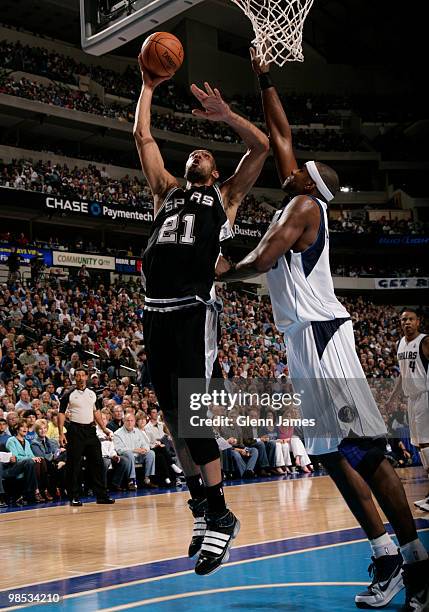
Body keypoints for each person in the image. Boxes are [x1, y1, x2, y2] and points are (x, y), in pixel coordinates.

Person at [217, 50, 429, 611]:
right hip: (303, 343)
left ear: (310, 181)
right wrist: (263, 76)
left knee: (365, 453)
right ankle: (387, 554)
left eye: (299, 166)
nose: (291, 162)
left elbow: (262, 259)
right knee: (331, 455)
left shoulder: (305, 206)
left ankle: (416, 563)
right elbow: (280, 130)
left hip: (322, 339)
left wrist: (221, 270)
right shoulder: (301, 195)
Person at [133, 56, 269, 576]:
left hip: (193, 311)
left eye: (205, 153)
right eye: (193, 151)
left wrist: (225, 115)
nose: (196, 153)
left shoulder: (226, 197)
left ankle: (219, 512)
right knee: (172, 420)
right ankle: (201, 505)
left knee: (192, 416)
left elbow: (259, 148)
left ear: (214, 172)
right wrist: (147, 86)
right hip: (154, 312)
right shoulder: (166, 193)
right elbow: (144, 140)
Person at [386, 308, 429, 512]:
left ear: (418, 321)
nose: (407, 323)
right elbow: (402, 374)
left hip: (425, 395)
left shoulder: (425, 341)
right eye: (404, 320)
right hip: (412, 399)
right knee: (420, 445)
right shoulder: (400, 343)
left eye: (411, 319)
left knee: (426, 443)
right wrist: (393, 396)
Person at [58, 368, 114, 507]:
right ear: (74, 378)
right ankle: (74, 497)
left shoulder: (92, 393)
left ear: (86, 377)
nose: (80, 377)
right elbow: (61, 413)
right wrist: (61, 433)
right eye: (77, 375)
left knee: (98, 463)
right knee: (74, 465)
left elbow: (96, 412)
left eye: (83, 375)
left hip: (90, 430)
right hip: (75, 430)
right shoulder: (68, 394)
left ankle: (101, 495)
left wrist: (104, 429)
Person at [113, 413, 156, 489]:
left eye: (131, 421)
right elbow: (119, 450)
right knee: (129, 454)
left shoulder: (138, 431)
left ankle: (147, 479)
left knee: (151, 453)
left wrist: (144, 449)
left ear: (134, 421)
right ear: (123, 421)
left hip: (139, 456)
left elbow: (145, 444)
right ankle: (131, 481)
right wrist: (134, 450)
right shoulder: (117, 434)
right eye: (127, 420)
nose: (130, 423)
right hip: (127, 457)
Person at [96, 413, 133, 492]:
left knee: (124, 461)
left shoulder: (110, 432)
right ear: (97, 420)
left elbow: (112, 447)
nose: (103, 420)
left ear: (107, 421)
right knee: (105, 462)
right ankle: (103, 488)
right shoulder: (94, 432)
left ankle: (115, 484)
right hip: (99, 457)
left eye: (104, 419)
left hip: (109, 456)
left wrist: (114, 455)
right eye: (101, 419)